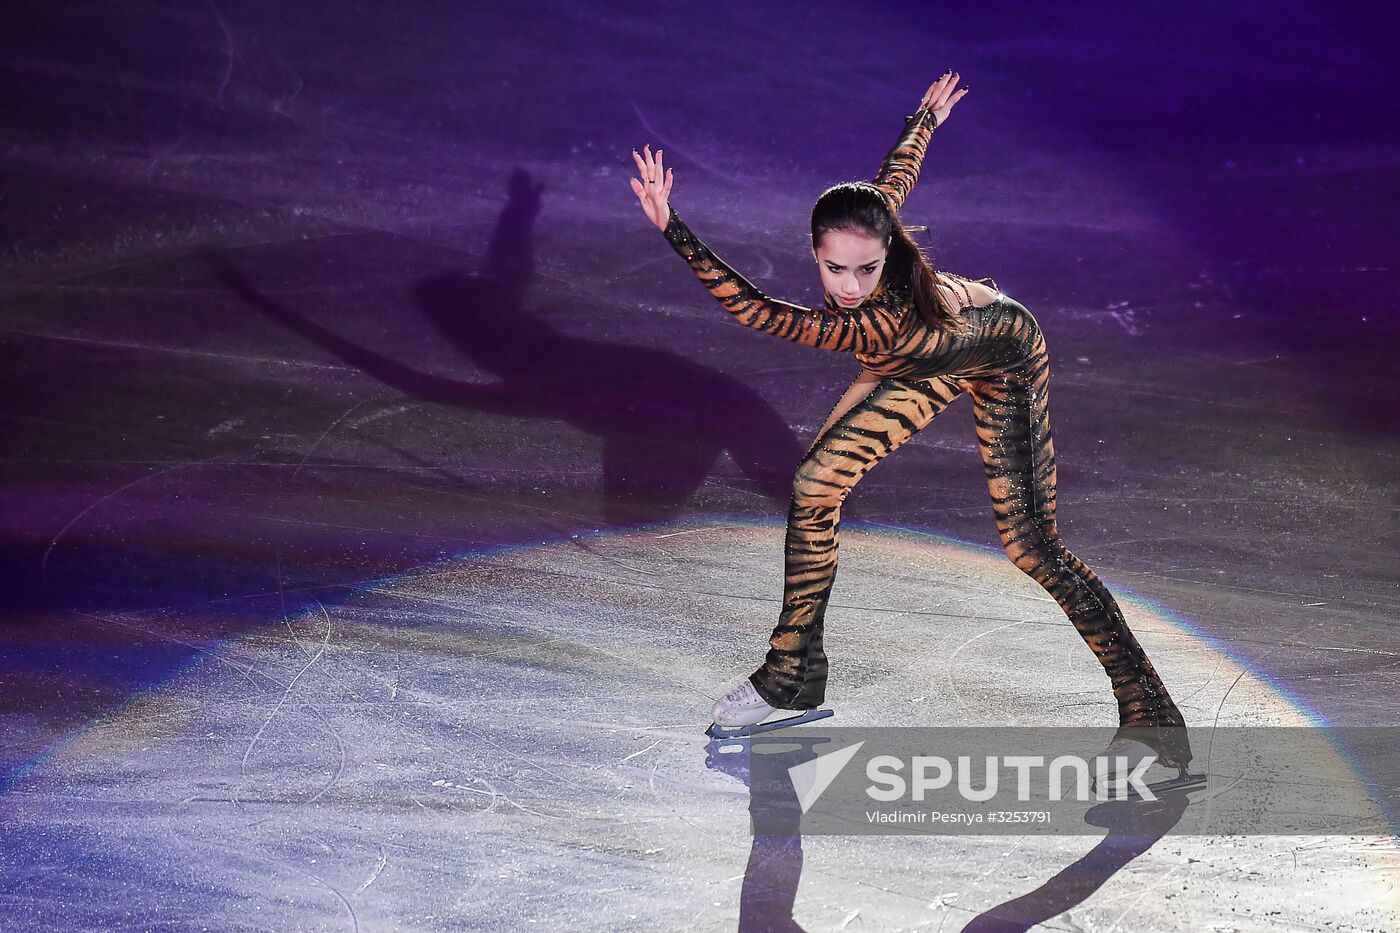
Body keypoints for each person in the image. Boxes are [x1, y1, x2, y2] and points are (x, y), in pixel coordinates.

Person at [628, 72, 1191, 770]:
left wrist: (673, 229)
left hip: (1003, 354)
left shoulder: (874, 311)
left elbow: (754, 309)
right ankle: (792, 673)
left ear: (887, 251)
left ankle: (1152, 709)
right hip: (919, 359)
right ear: (816, 252)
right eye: (837, 269)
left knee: (1031, 546)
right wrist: (924, 117)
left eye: (866, 269)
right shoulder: (873, 230)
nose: (851, 285)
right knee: (814, 487)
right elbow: (893, 177)